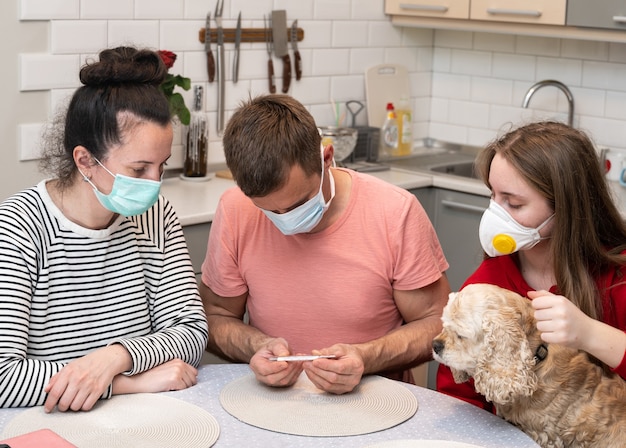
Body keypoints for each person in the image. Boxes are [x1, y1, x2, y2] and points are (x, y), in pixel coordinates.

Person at [0, 47, 208, 412]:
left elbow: (190, 330)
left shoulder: (156, 215)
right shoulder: (18, 228)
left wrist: (115, 357)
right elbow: (4, 379)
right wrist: (129, 383)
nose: (155, 183)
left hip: (144, 421)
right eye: (140, 169)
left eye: (162, 165)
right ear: (85, 161)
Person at [200, 94, 450, 394]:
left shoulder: (395, 212)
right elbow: (215, 316)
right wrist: (254, 346)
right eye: (270, 211)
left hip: (376, 402)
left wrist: (366, 357)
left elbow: (438, 324)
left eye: (298, 203)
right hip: (272, 402)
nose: (286, 221)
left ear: (326, 158)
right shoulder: (235, 209)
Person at [437, 121, 626, 411]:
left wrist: (589, 334)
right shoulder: (488, 284)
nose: (495, 215)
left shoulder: (617, 277)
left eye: (513, 204)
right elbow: (460, 399)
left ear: (564, 207)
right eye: (493, 196)